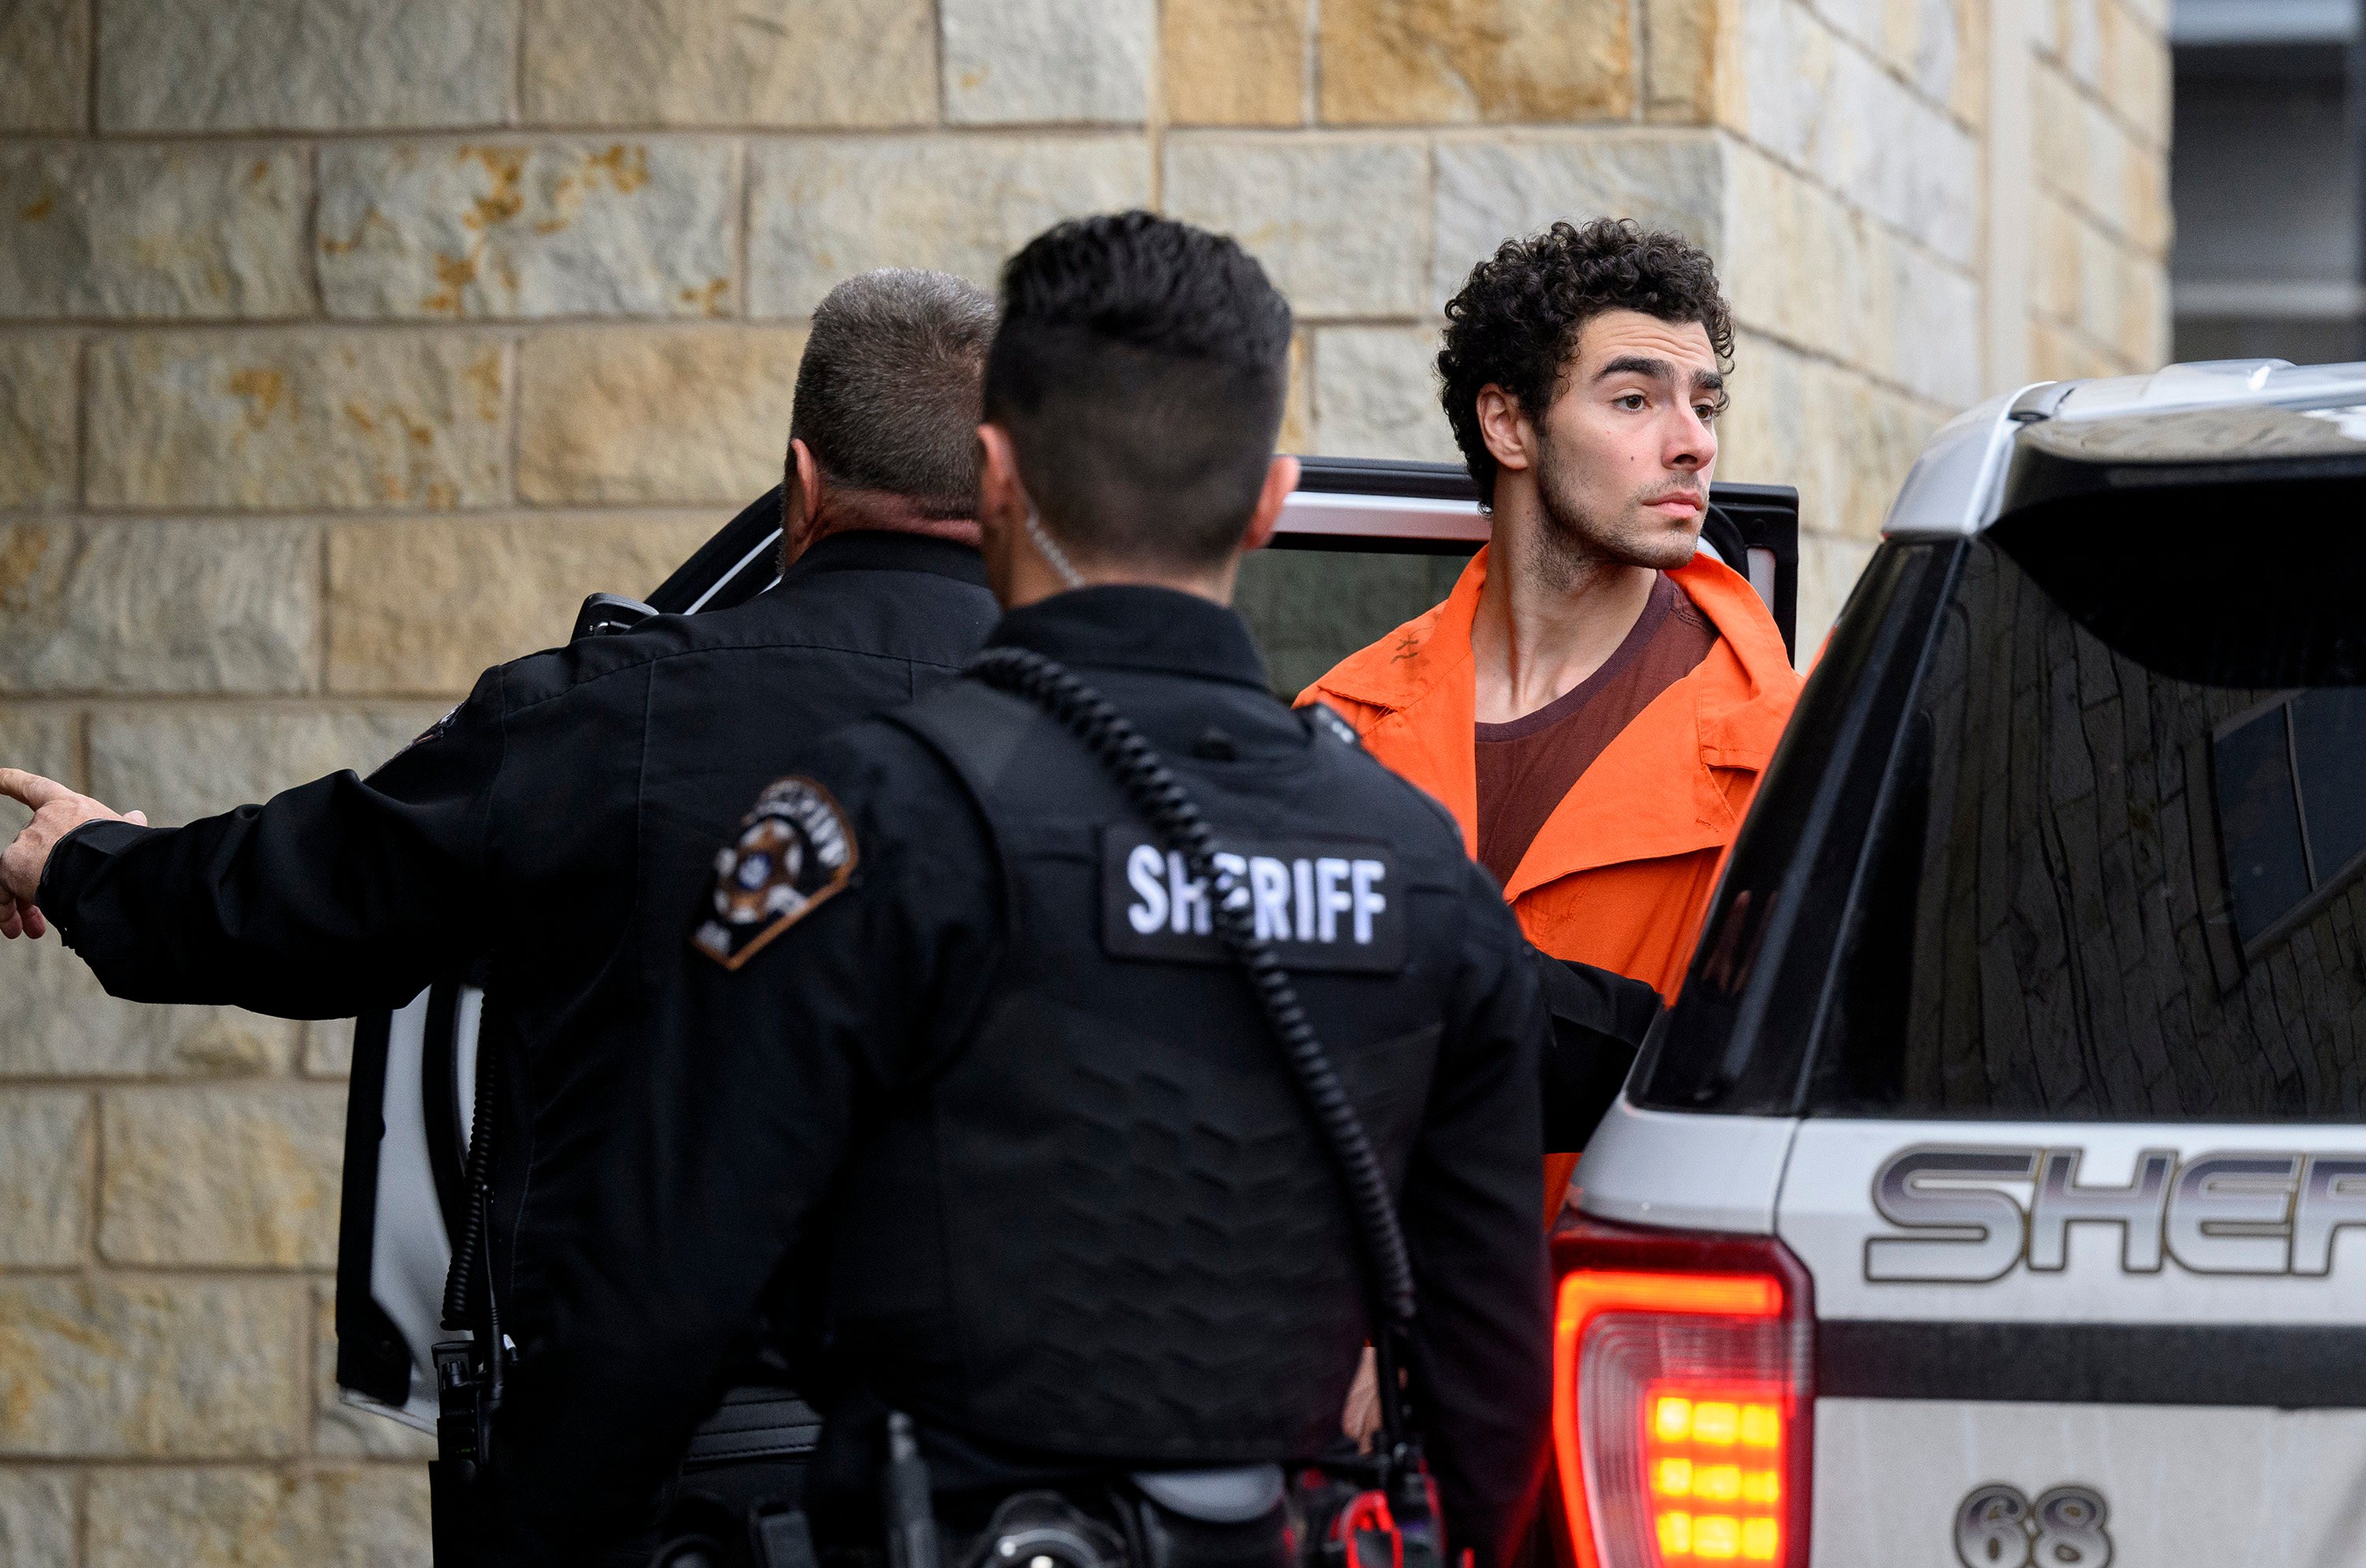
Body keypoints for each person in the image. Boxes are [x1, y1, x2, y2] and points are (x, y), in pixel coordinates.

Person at [461, 213, 1561, 1568]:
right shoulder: (1422, 869)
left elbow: (648, 1305)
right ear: (1267, 501)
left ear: (992, 474)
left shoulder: (861, 823)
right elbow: (1493, 1391)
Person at [0, 269, 1005, 1546]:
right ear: (1010, 483)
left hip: (647, 1483)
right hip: (1018, 1484)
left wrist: (88, 861)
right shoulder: (1112, 747)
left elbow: (309, 895)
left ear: (803, 484)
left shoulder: (610, 713)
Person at [1297, 220, 1803, 1211]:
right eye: (1633, 399)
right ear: (1509, 425)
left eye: (1704, 404)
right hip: (1364, 1341)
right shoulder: (1340, 722)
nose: (1694, 440)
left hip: (1615, 1336)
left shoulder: (1786, 756)